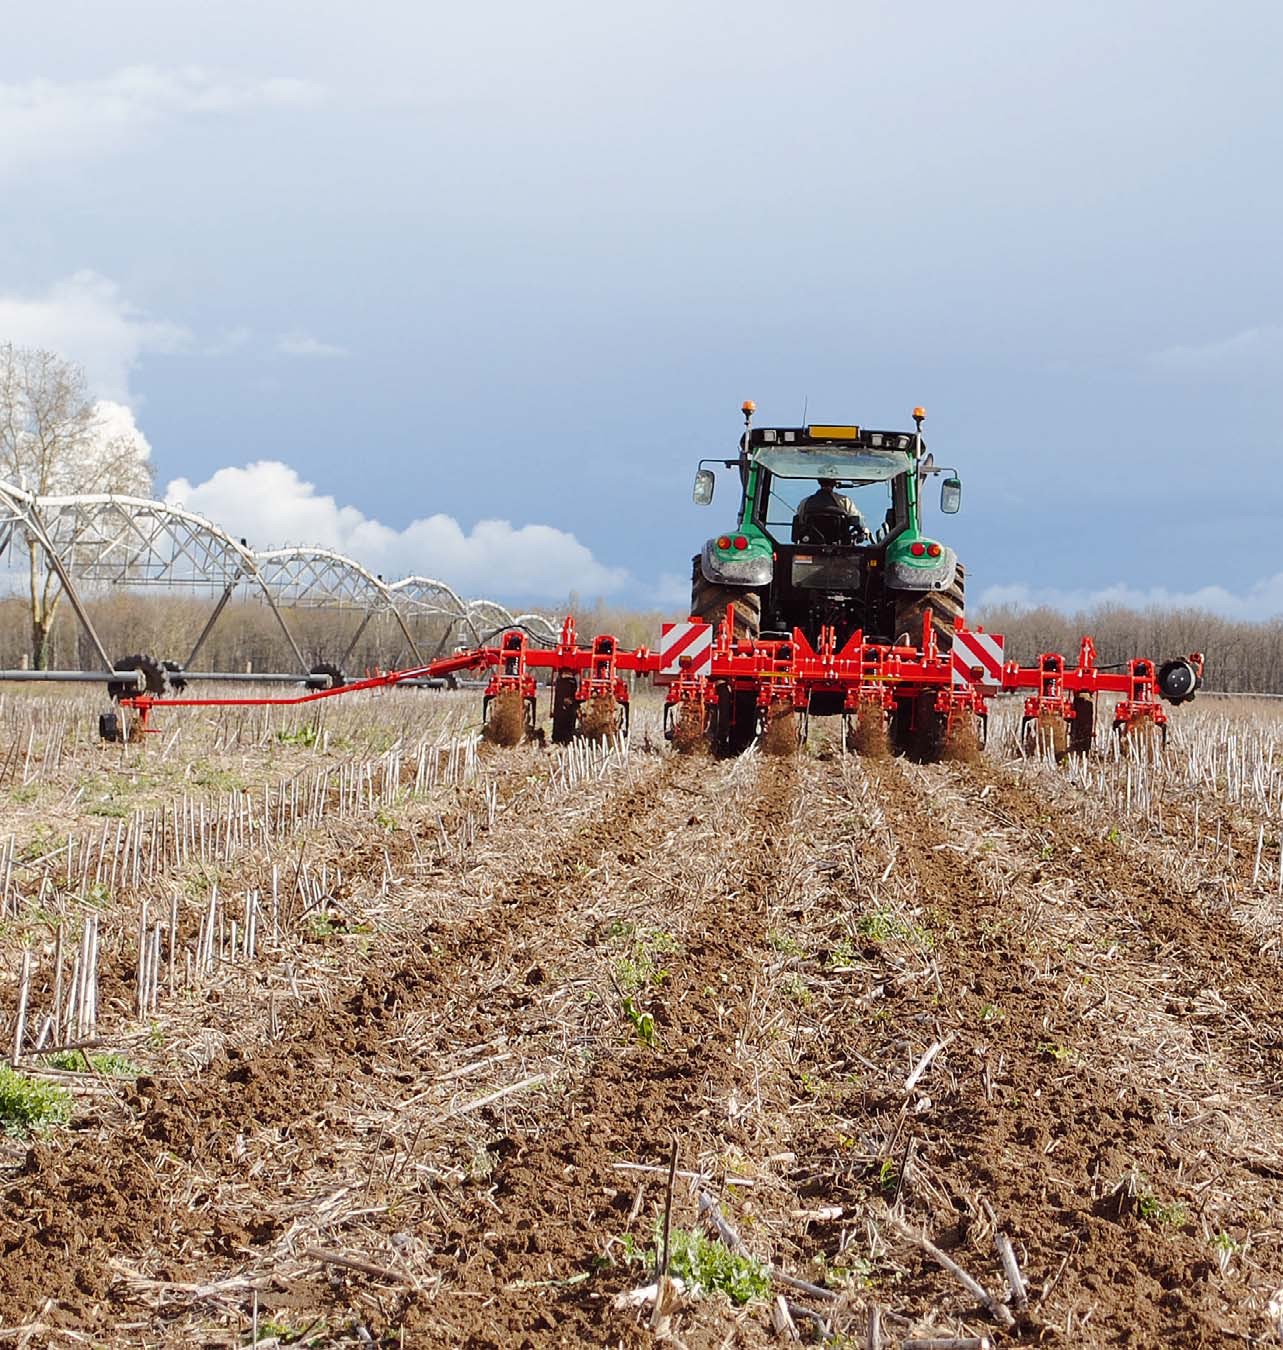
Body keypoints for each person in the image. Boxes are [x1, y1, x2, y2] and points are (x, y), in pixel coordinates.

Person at [793, 479, 865, 543]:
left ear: (819, 481)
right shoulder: (844, 501)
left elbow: (799, 521)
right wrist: (863, 531)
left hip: (812, 542)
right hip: (840, 542)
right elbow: (856, 519)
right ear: (835, 482)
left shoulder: (806, 502)